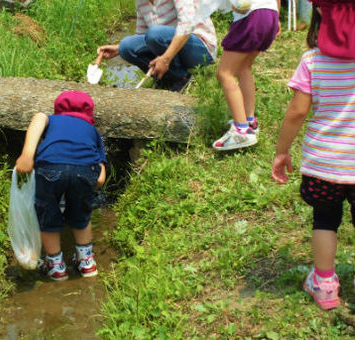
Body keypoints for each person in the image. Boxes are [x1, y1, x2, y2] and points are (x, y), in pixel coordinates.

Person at [271, 1, 355, 310]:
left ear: (320, 11)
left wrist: (282, 152)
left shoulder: (312, 61)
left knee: (325, 220)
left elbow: (297, 113)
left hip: (323, 165)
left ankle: (324, 286)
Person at [16, 91, 107, 281]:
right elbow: (100, 174)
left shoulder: (50, 120)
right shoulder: (92, 131)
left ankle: (56, 265)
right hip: (85, 169)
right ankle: (86, 262)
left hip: (51, 166)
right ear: (90, 116)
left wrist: (27, 155)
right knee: (81, 214)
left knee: (47, 212)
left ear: (57, 110)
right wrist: (93, 184)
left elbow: (38, 119)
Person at [97, 0, 217, 93]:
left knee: (155, 34)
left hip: (199, 47)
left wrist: (165, 58)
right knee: (126, 46)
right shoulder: (141, 2)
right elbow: (141, 37)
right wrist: (118, 49)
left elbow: (187, 24)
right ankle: (166, 79)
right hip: (171, 49)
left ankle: (181, 77)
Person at [212, 0, 280, 151]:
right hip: (270, 13)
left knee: (224, 73)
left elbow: (240, 5)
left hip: (251, 15)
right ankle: (249, 121)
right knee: (243, 68)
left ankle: (241, 130)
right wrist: (276, 17)